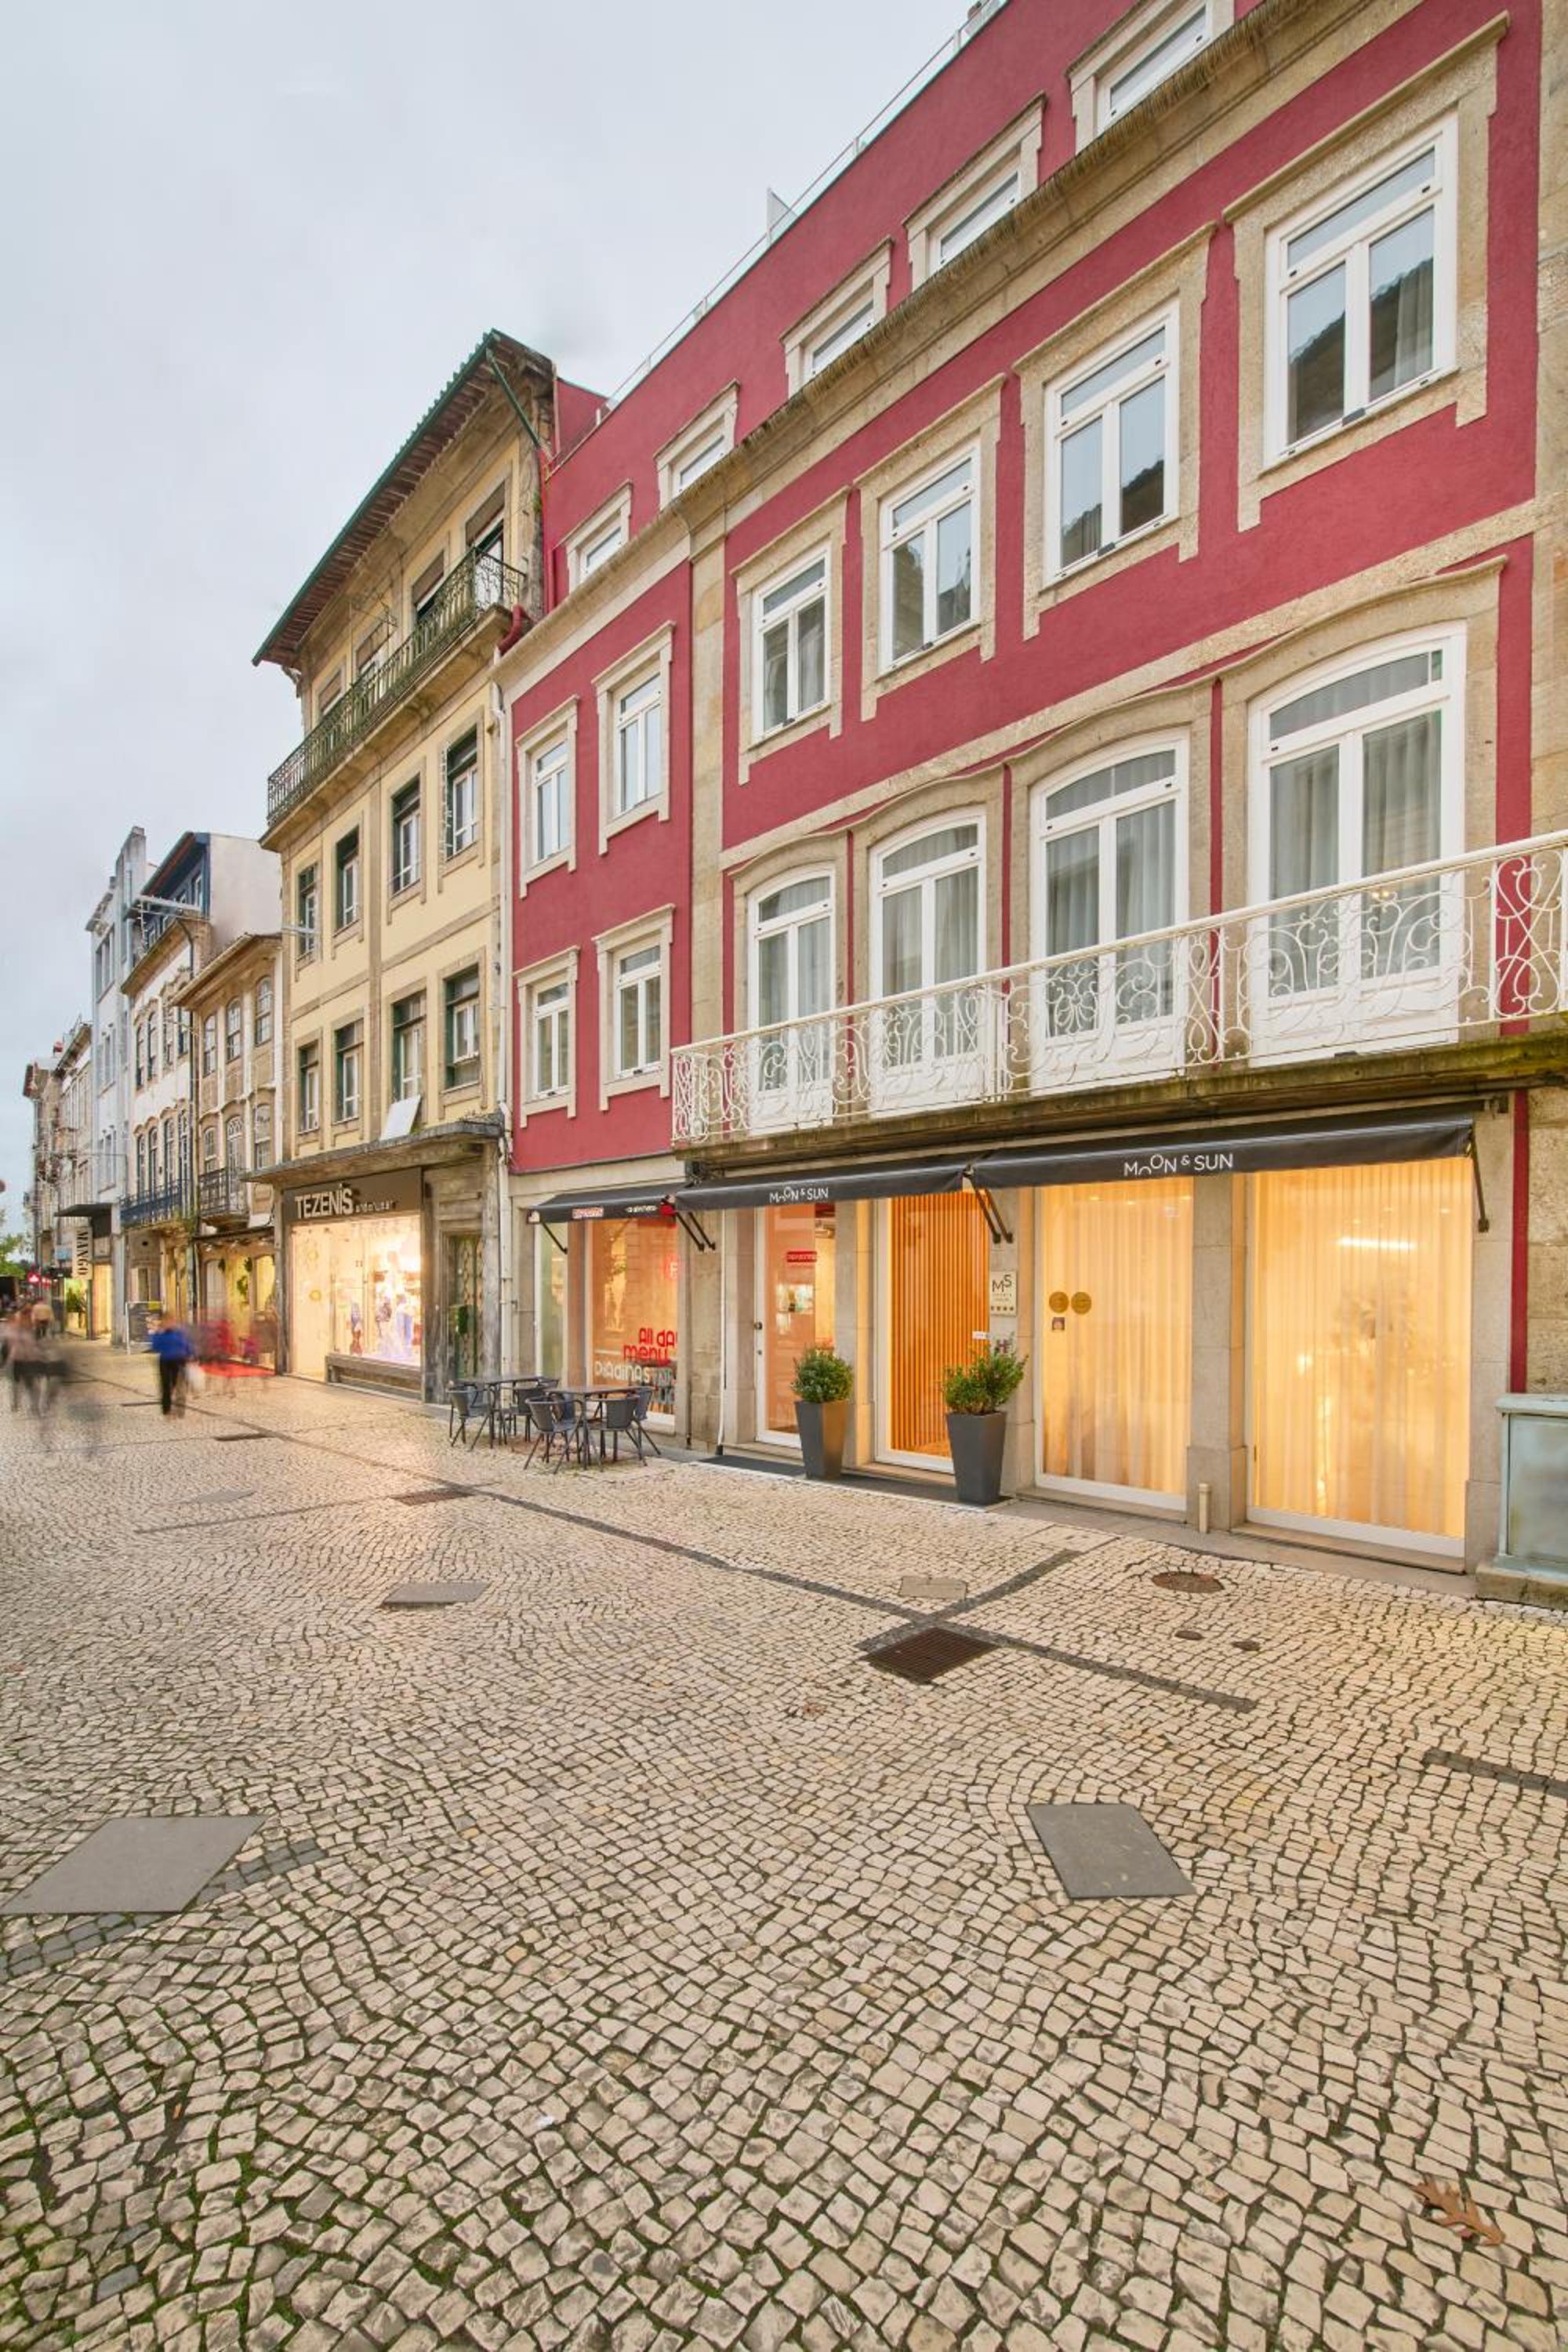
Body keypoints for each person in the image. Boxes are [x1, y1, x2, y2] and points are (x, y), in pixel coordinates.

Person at [147, 1314, 194, 1416]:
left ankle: (180, 1410)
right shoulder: (161, 1334)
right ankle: (167, 1409)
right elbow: (155, 1347)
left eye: (171, 1321)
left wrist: (191, 1354)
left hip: (179, 1361)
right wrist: (158, 1334)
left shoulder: (179, 1333)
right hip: (166, 1361)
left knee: (180, 1386)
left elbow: (187, 1344)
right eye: (167, 1321)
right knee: (166, 1386)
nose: (169, 1323)